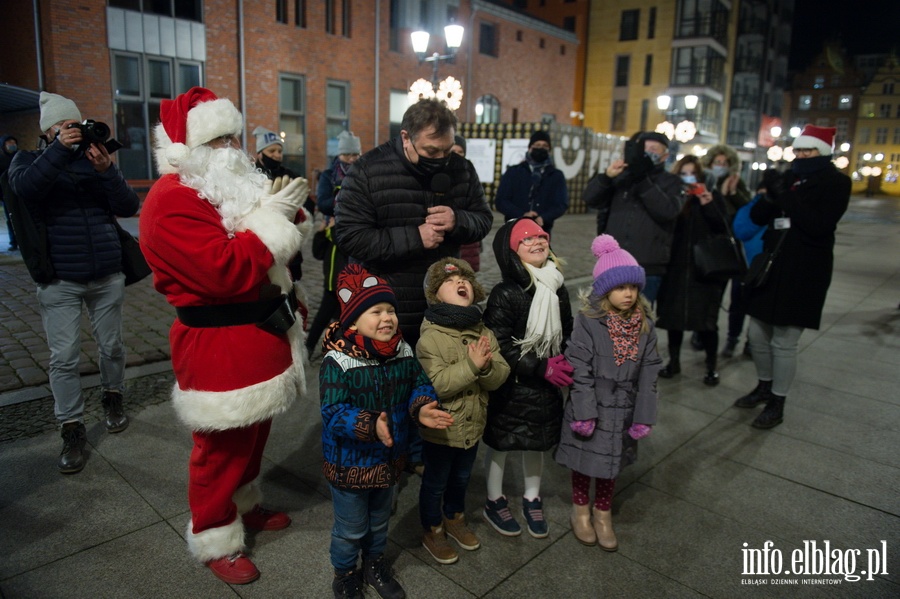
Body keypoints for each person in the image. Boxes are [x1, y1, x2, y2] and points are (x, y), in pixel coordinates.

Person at [140, 87, 310, 584]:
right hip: (218, 344)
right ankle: (214, 530)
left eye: (233, 137)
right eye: (219, 140)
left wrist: (285, 213)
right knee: (220, 448)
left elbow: (267, 237)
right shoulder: (171, 201)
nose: (232, 149)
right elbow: (225, 270)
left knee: (254, 436)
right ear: (187, 150)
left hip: (258, 332)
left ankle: (243, 503)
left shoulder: (217, 187)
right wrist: (274, 221)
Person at [334, 98, 493, 474]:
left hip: (441, 304)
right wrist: (413, 237)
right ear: (405, 137)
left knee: (435, 379)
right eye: (430, 150)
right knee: (390, 384)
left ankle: (423, 450)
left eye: (447, 149)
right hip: (390, 303)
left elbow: (484, 220)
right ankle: (388, 455)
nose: (441, 158)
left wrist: (458, 220)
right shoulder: (369, 170)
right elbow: (350, 236)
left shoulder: (461, 169)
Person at [8, 92, 139, 474]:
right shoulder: (29, 160)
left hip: (105, 273)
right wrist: (59, 153)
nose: (74, 132)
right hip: (60, 278)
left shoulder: (92, 160)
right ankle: (71, 427)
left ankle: (113, 397)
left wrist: (107, 171)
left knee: (112, 345)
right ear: (49, 131)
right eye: (65, 127)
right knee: (63, 357)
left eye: (76, 125)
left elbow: (129, 206)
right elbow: (26, 189)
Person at [320, 264, 454, 599]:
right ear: (353, 321)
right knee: (351, 527)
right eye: (375, 311)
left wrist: (422, 406)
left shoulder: (403, 351)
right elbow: (333, 411)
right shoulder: (338, 361)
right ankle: (346, 572)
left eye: (390, 310)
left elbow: (418, 385)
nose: (387, 318)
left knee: (379, 521)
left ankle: (374, 563)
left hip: (389, 459)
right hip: (350, 463)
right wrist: (367, 423)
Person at [736, 125, 850, 429]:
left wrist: (785, 195)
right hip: (772, 268)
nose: (800, 156)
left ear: (822, 152)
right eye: (797, 150)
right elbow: (760, 218)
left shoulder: (837, 182)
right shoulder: (791, 179)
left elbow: (818, 225)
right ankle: (763, 385)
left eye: (807, 151)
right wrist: (768, 194)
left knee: (784, 342)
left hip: (804, 272)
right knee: (758, 336)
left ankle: (777, 401)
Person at [555, 234, 660, 551]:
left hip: (623, 408)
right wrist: (585, 412)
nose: (628, 294)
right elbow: (579, 368)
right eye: (619, 287)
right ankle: (581, 511)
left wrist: (643, 415)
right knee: (584, 462)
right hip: (592, 407)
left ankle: (603, 513)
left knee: (610, 464)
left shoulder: (645, 325)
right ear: (604, 290)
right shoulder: (589, 321)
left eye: (632, 287)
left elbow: (650, 373)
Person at [481, 217, 574, 538]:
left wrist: (568, 360)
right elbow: (498, 342)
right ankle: (494, 498)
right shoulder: (506, 293)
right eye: (526, 239)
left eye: (541, 236)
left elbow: (567, 330)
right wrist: (539, 365)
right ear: (512, 251)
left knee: (537, 442)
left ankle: (532, 497)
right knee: (502, 442)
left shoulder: (556, 286)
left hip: (546, 385)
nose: (536, 242)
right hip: (513, 383)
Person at [416, 257, 510, 565]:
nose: (460, 284)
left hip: (473, 426)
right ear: (435, 295)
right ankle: (432, 528)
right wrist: (472, 365)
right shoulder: (431, 337)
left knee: (461, 479)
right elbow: (437, 384)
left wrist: (484, 370)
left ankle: (454, 517)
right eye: (449, 282)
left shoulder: (484, 331)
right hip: (442, 430)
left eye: (465, 280)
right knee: (435, 483)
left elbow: (500, 375)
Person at [655, 155, 732, 386]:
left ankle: (711, 367)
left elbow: (724, 226)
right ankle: (674, 362)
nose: (688, 178)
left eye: (692, 173)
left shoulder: (710, 196)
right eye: (683, 173)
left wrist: (708, 204)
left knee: (707, 321)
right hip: (675, 269)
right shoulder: (673, 199)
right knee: (673, 319)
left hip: (704, 270)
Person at [582, 131, 683, 304]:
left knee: (640, 323)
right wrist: (606, 177)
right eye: (643, 148)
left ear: (665, 155)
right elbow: (590, 199)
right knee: (609, 319)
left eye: (653, 149)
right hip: (613, 262)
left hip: (648, 266)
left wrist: (642, 179)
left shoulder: (671, 181)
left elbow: (668, 211)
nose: (647, 152)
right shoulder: (621, 176)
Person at [307, 131, 361, 358]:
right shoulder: (330, 175)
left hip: (356, 239)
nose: (351, 159)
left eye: (355, 154)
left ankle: (341, 345)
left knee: (351, 295)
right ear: (340, 155)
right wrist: (346, 200)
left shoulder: (362, 173)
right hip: (334, 243)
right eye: (347, 154)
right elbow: (324, 203)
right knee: (331, 295)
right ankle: (309, 345)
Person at [701, 145, 751, 358]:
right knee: (712, 296)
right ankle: (702, 331)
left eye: (724, 163)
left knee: (738, 298)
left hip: (736, 249)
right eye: (717, 163)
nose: (720, 167)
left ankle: (733, 339)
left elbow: (748, 211)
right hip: (714, 249)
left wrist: (732, 193)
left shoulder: (736, 184)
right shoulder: (706, 183)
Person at [252, 125, 315, 282]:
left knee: (292, 282)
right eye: (271, 151)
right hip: (261, 242)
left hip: (289, 242)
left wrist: (297, 215)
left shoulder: (291, 175)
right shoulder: (250, 175)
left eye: (279, 151)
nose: (277, 155)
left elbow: (308, 204)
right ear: (260, 154)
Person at [494, 130, 569, 234]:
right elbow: (501, 200)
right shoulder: (514, 172)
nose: (540, 148)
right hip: (514, 227)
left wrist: (544, 217)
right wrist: (522, 215)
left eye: (544, 145)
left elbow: (561, 204)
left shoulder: (556, 175)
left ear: (549, 150)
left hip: (543, 229)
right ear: (530, 148)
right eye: (537, 145)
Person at [732, 183, 769, 358]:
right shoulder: (749, 208)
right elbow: (740, 231)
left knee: (756, 309)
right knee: (738, 306)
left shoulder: (779, 210)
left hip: (765, 268)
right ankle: (733, 338)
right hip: (745, 265)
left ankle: (750, 343)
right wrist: (759, 217)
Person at [451, 134, 483, 272]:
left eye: (460, 152)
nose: (457, 156)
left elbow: (479, 209)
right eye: (453, 152)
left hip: (468, 237)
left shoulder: (471, 176)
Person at [1, 135, 19, 250]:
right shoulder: (1, 161)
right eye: (9, 143)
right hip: (7, 195)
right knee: (11, 219)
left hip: (20, 194)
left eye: (13, 142)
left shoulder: (20, 157)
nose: (12, 145)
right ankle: (14, 242)